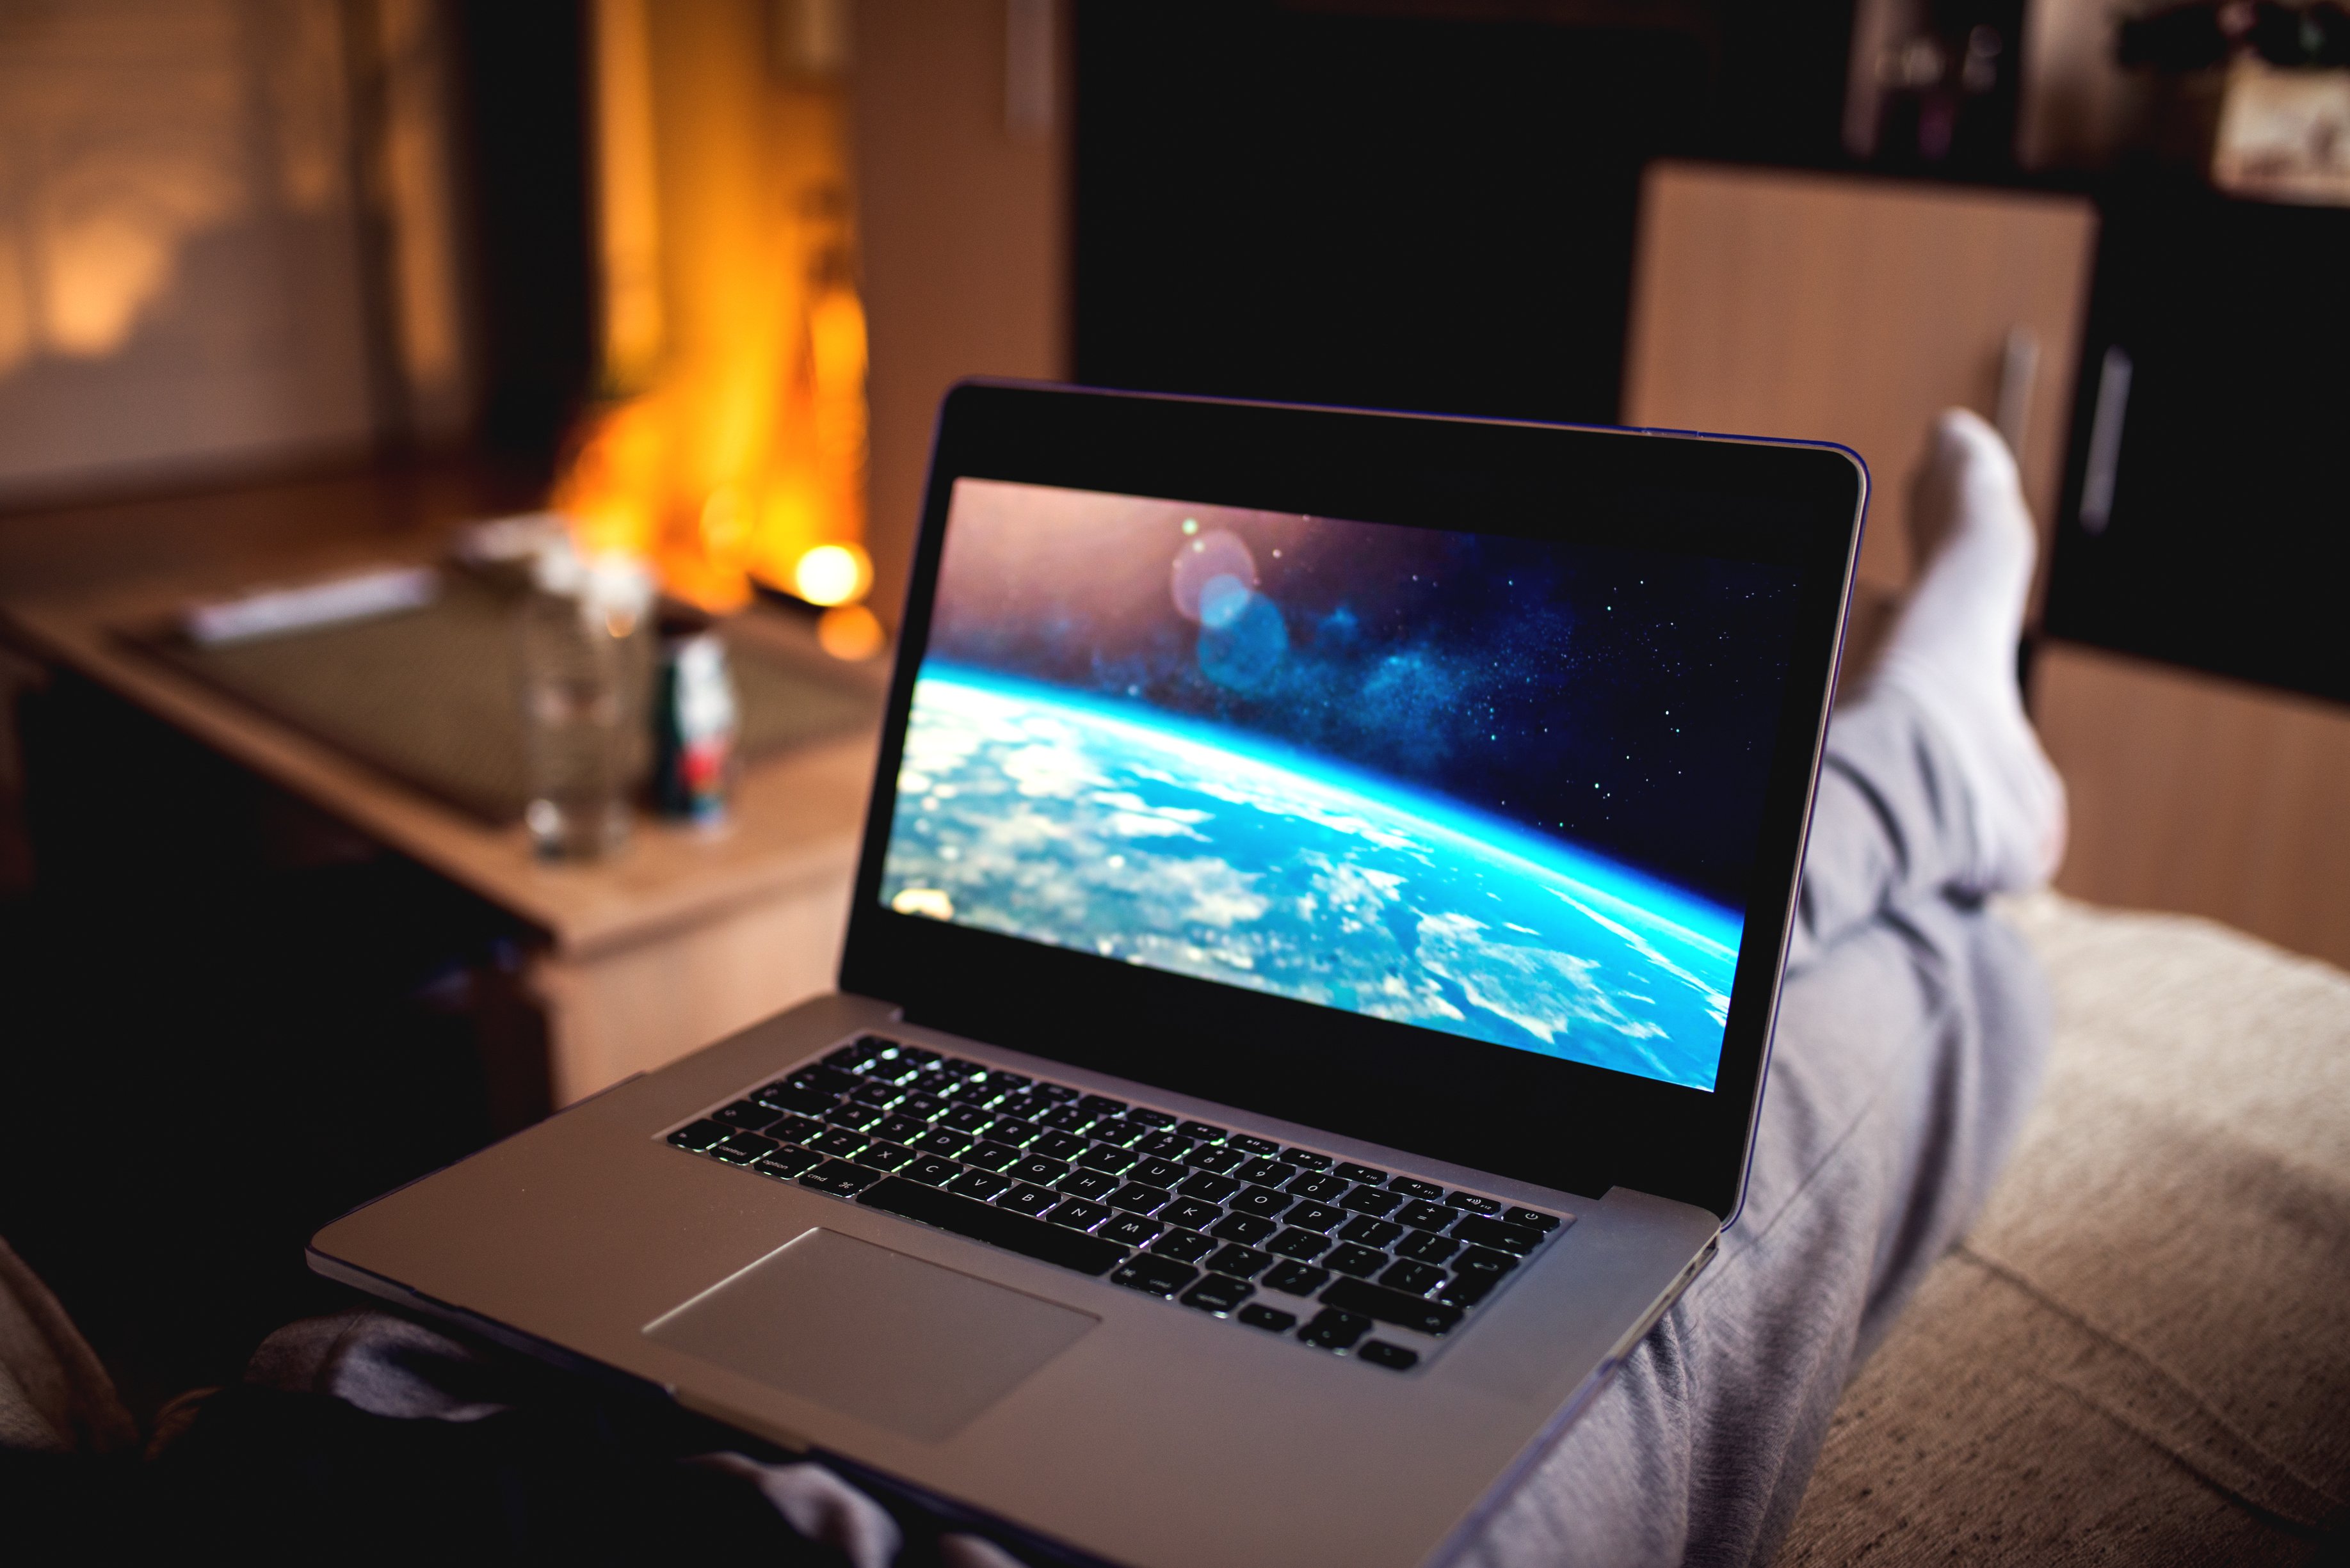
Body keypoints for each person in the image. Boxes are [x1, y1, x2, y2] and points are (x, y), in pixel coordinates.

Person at [0, 412, 2064, 1567]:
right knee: (1850, 1035)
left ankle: (1938, 757)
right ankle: (1946, 761)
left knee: (1703, 1012)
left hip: (380, 1466)